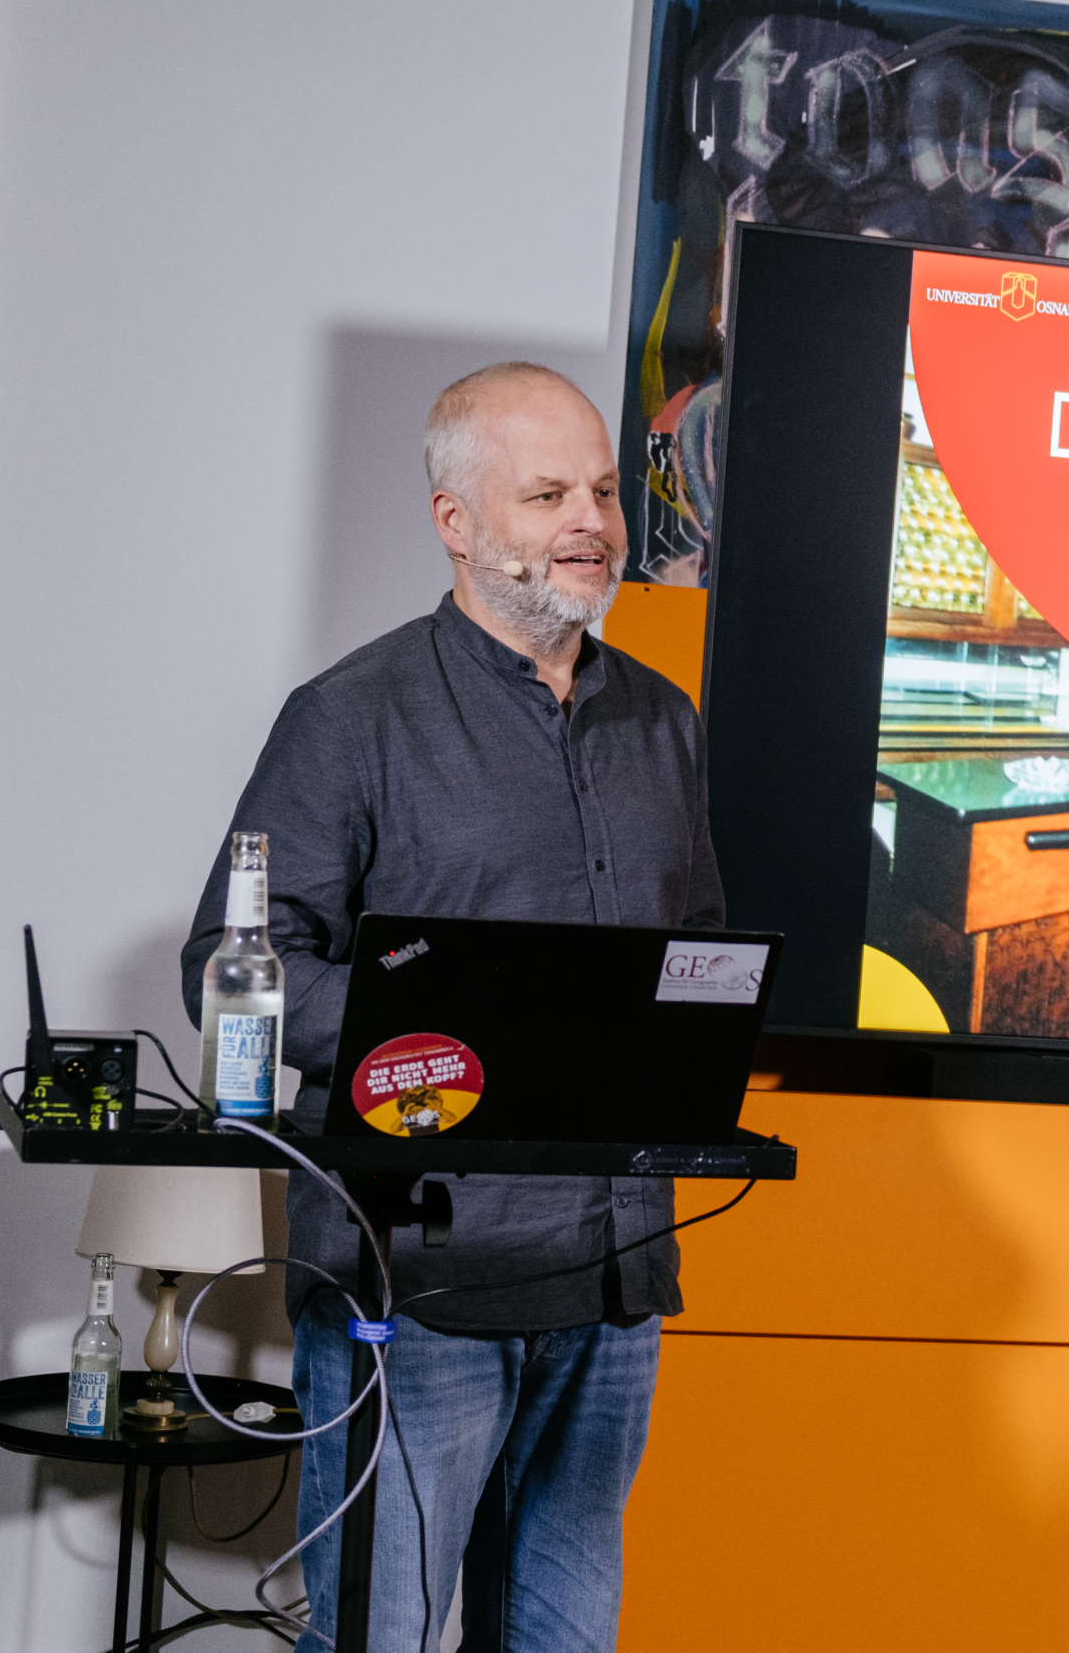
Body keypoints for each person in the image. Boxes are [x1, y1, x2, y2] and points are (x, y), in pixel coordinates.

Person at [182, 361, 721, 1652]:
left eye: (600, 488)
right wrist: (441, 1047)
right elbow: (232, 960)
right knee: (382, 1632)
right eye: (547, 494)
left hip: (611, 1275)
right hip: (416, 1281)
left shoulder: (666, 724)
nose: (592, 519)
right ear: (457, 524)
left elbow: (696, 953)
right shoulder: (349, 719)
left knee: (563, 1641)